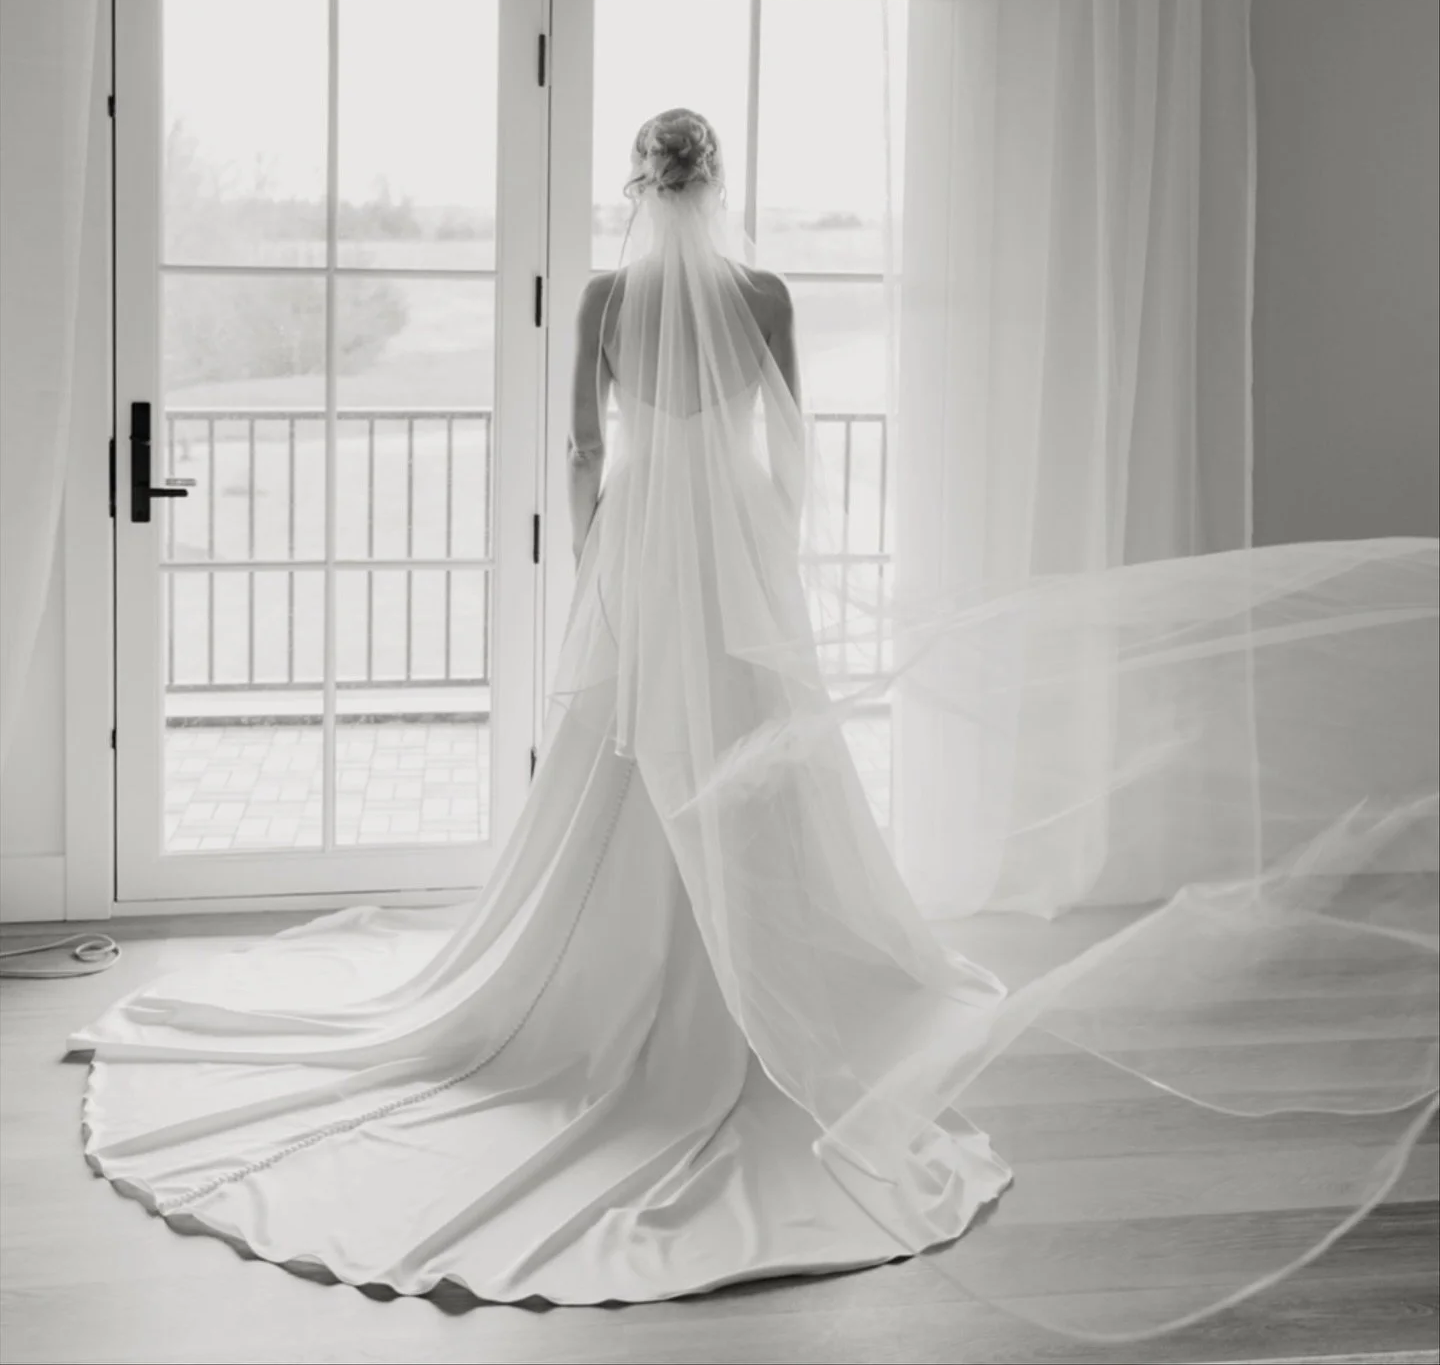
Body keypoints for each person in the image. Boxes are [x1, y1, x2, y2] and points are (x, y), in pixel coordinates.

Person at [68, 109, 1012, 1305]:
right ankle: (764, 978)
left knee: (612, 751)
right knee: (750, 749)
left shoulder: (605, 300)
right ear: (717, 182)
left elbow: (580, 445)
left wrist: (594, 559)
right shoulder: (767, 294)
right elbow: (791, 439)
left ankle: (596, 984)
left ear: (638, 182)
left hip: (641, 545)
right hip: (737, 552)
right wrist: (770, 548)